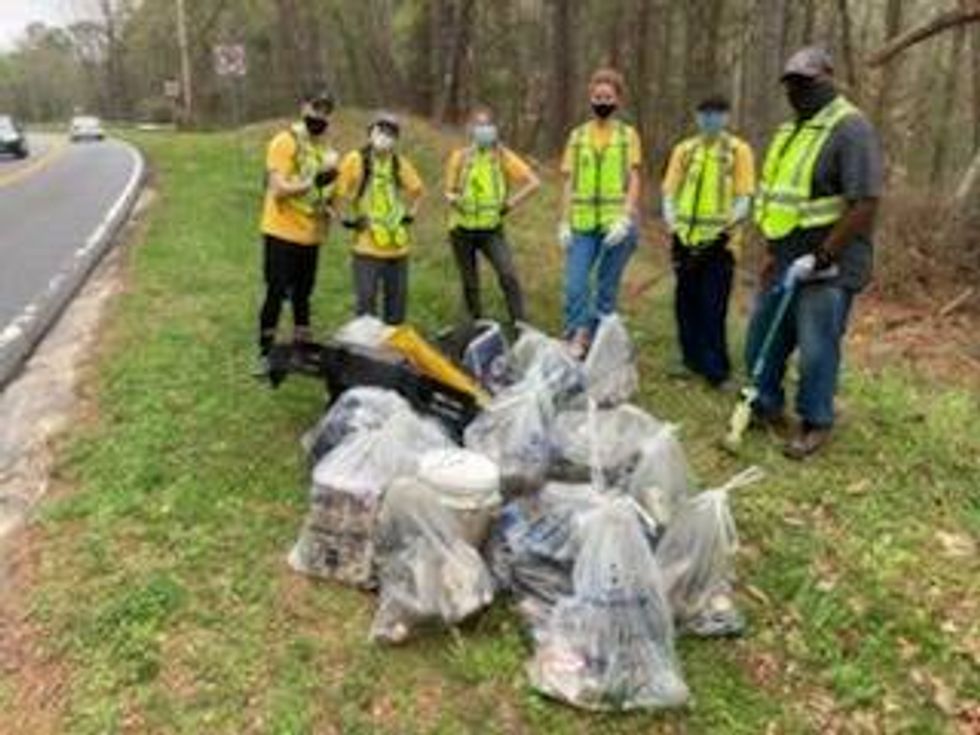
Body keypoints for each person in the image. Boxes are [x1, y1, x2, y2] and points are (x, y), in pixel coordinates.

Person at [748, 46, 883, 459]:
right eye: (791, 83)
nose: (797, 91)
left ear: (828, 79)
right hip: (787, 257)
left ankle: (815, 421)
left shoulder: (851, 128)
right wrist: (774, 251)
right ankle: (765, 404)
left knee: (816, 346)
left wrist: (823, 256)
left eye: (806, 82)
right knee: (762, 337)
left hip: (830, 263)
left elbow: (865, 202)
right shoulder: (790, 131)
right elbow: (779, 199)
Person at [662, 96, 755, 390]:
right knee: (685, 304)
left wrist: (723, 231)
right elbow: (669, 192)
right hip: (685, 241)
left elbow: (744, 198)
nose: (710, 120)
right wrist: (674, 225)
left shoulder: (738, 151)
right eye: (704, 114)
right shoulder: (685, 150)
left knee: (712, 305)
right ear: (696, 117)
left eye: (716, 114)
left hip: (719, 246)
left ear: (726, 117)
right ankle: (690, 361)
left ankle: (717, 370)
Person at [558, 68, 643, 359]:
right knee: (575, 284)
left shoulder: (627, 136)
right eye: (597, 96)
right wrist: (564, 222)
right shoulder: (577, 136)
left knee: (606, 288)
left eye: (607, 96)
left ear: (617, 100)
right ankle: (574, 334)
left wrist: (626, 217)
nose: (601, 101)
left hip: (614, 225)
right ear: (590, 98)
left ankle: (597, 339)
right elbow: (569, 180)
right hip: (582, 225)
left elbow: (633, 179)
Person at [256, 88, 339, 375]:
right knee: (276, 292)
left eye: (326, 110)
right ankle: (265, 352)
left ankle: (302, 348)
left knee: (304, 294)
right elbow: (278, 189)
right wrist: (312, 181)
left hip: (310, 235)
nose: (321, 115)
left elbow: (321, 196)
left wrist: (329, 209)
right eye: (316, 108)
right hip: (281, 232)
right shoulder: (284, 142)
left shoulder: (325, 151)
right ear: (303, 107)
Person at [445, 106, 540, 328]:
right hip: (461, 228)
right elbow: (449, 190)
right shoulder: (459, 157)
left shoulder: (502, 157)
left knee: (508, 274)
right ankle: (476, 323)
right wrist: (453, 199)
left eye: (487, 125)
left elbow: (533, 182)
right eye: (479, 125)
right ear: (470, 129)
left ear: (494, 129)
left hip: (491, 229)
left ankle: (520, 323)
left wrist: (510, 204)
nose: (484, 130)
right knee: (470, 280)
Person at [336, 112, 425, 325]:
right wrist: (347, 220)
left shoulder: (398, 163)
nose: (386, 137)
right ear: (371, 133)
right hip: (367, 247)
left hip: (398, 247)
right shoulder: (354, 160)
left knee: (397, 306)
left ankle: (392, 351)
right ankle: (365, 350)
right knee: (366, 304)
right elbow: (335, 195)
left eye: (391, 133)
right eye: (381, 131)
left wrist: (411, 214)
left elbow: (418, 190)